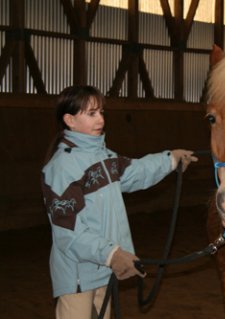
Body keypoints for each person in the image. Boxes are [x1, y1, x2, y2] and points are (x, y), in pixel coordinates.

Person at [41, 85, 198, 319]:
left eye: (101, 112)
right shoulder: (61, 168)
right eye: (92, 113)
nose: (101, 119)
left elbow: (136, 171)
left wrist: (170, 159)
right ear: (70, 120)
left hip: (103, 268)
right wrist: (111, 254)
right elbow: (68, 232)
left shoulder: (104, 157)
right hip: (78, 276)